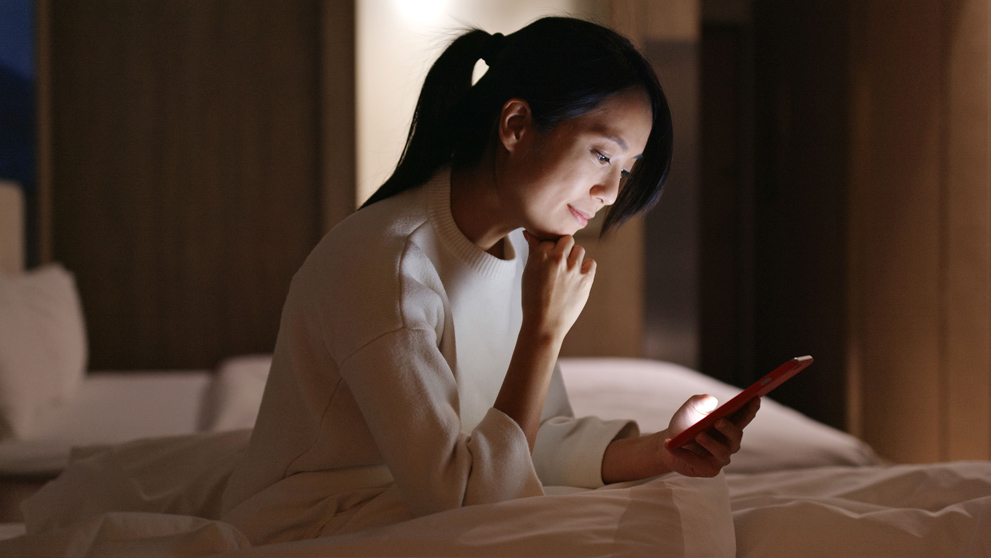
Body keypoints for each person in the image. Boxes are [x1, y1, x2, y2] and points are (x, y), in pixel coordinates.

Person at [220, 16, 759, 545]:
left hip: (435, 499)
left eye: (625, 170)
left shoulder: (520, 250)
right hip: (314, 522)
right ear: (516, 126)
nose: (610, 193)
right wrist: (541, 335)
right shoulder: (386, 266)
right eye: (601, 154)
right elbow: (466, 505)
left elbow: (529, 441)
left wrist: (664, 448)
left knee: (676, 508)